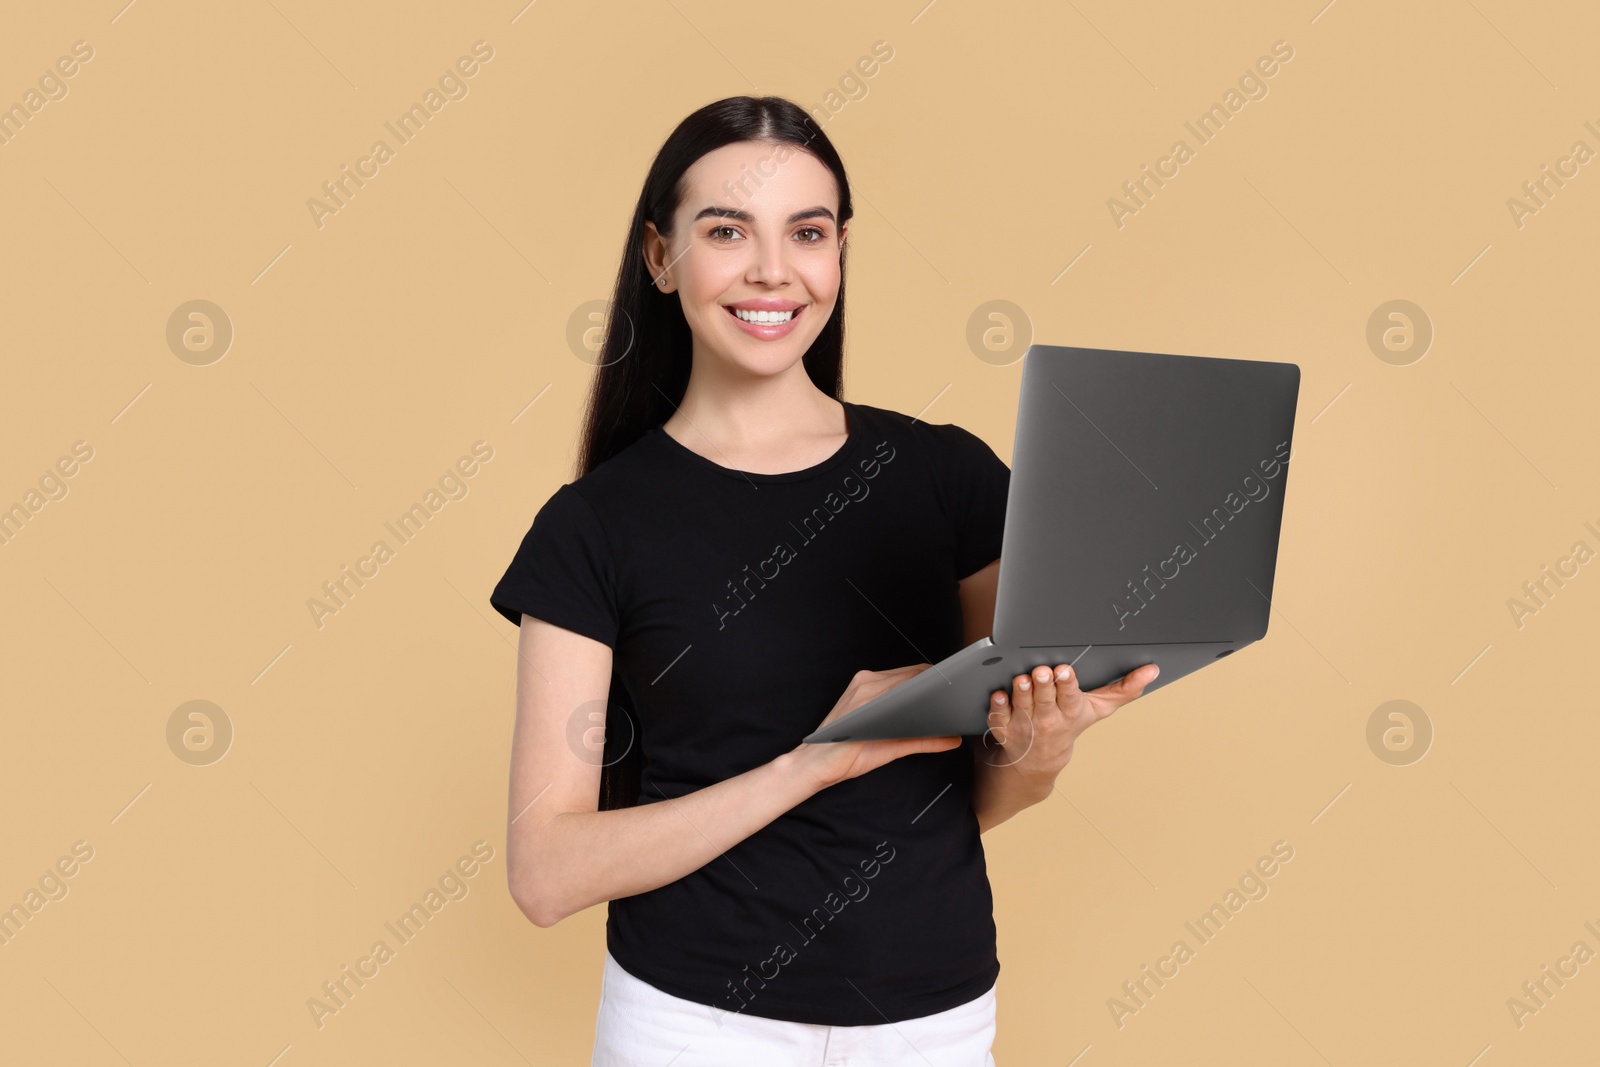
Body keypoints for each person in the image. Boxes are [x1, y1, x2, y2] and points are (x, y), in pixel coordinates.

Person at [489, 95, 1159, 1067]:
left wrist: (1038, 750)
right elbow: (543, 872)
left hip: (935, 1014)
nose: (773, 270)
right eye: (726, 230)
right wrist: (816, 758)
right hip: (693, 1023)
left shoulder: (949, 479)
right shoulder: (592, 526)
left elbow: (984, 792)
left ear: (839, 252)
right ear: (659, 256)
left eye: (807, 232)